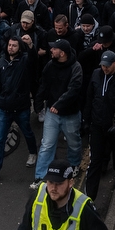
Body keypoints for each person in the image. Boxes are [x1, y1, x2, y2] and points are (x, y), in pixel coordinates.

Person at [10, 159, 114, 230]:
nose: (53, 188)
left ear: (70, 183)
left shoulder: (84, 208)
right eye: (50, 182)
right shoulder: (37, 198)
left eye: (59, 184)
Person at [0, 34, 38, 186]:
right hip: (4, 108)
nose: (11, 48)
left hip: (21, 108)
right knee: (0, 140)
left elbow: (34, 60)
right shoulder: (1, 61)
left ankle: (33, 153)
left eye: (14, 45)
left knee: (27, 132)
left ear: (19, 47)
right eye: (9, 45)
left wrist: (31, 46)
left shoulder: (25, 60)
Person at [82, 50, 115, 200]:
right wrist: (86, 120)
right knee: (95, 161)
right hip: (97, 124)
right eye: (102, 65)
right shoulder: (96, 75)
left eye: (107, 66)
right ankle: (90, 198)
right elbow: (89, 98)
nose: (104, 68)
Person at [31, 39, 83, 190]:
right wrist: (38, 103)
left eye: (54, 49)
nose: (51, 51)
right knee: (47, 144)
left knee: (73, 143)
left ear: (62, 52)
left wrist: (58, 105)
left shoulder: (75, 67)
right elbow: (44, 85)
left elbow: (74, 89)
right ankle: (41, 176)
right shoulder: (50, 65)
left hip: (70, 113)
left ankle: (73, 164)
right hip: (52, 112)